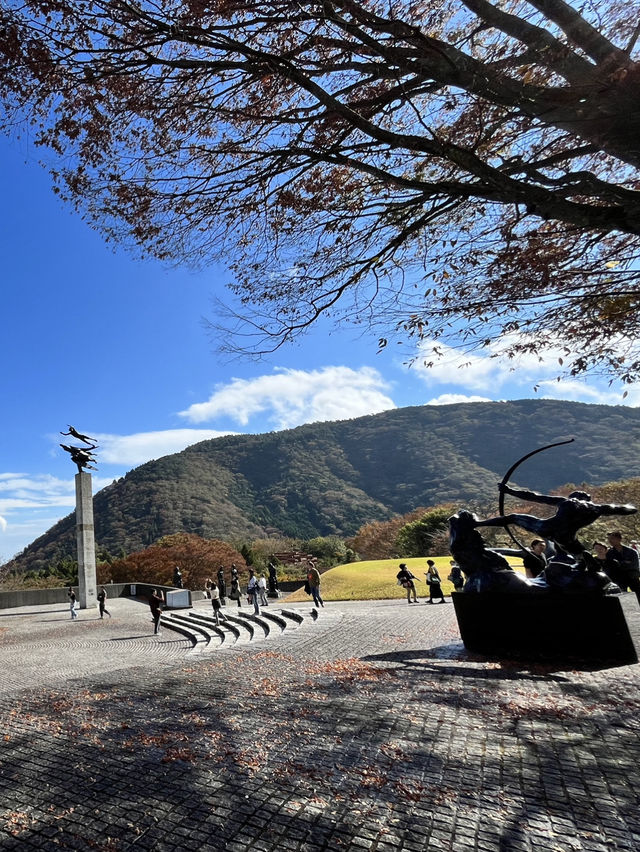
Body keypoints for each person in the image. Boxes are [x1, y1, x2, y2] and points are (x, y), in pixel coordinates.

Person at [475, 486, 637, 559]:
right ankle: (583, 565)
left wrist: (509, 491)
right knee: (582, 555)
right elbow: (623, 509)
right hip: (566, 538)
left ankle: (478, 524)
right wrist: (631, 508)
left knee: (512, 518)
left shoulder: (566, 502)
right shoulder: (598, 509)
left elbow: (535, 497)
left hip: (546, 528)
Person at [606, 531, 640, 597]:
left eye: (612, 538)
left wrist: (619, 563)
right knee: (622, 597)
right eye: (609, 539)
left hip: (632, 577)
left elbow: (634, 565)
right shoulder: (609, 553)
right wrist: (625, 562)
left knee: (638, 594)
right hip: (618, 579)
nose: (610, 541)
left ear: (619, 539)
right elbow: (611, 566)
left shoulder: (632, 552)